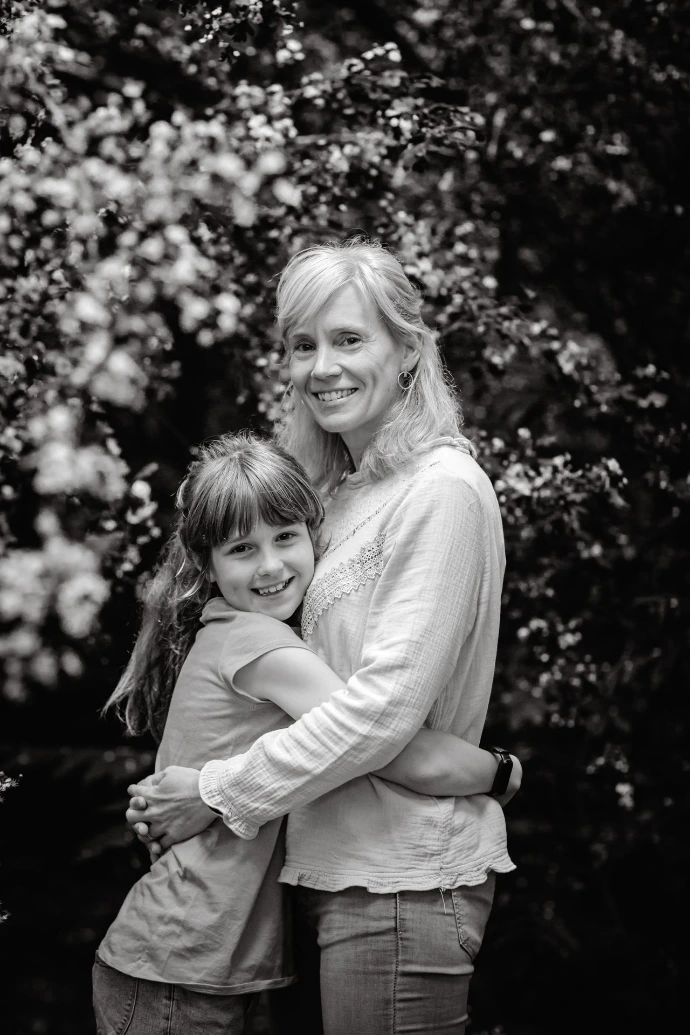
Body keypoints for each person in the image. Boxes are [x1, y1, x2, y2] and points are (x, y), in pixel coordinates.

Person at [127, 238, 518, 1034]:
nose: (322, 367)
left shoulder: (441, 490)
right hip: (335, 871)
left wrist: (215, 791)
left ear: (408, 350)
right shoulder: (339, 496)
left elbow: (381, 712)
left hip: (404, 871)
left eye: (349, 339)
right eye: (303, 345)